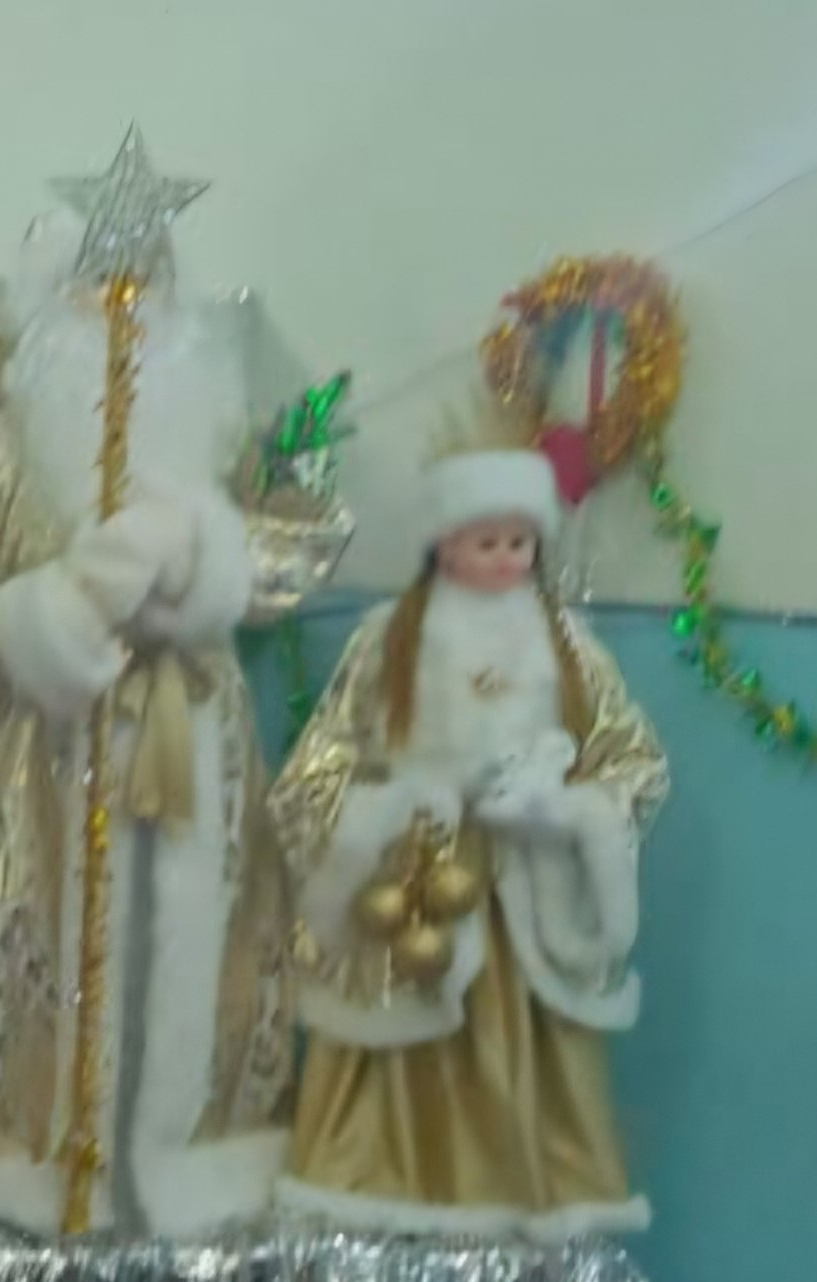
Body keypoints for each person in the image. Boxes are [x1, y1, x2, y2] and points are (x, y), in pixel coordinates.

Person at [0, 174, 310, 1246]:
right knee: (28, 979)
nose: (124, 326)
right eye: (99, 299)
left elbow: (299, 549)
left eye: (146, 301)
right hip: (26, 774)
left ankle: (183, 1163)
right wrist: (43, 617)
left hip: (190, 767)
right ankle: (15, 1163)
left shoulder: (217, 460)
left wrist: (207, 568)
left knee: (188, 977)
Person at [270, 425, 670, 1240]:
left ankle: (526, 1191)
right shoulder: (388, 641)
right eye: (488, 542)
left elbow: (635, 762)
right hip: (413, 887)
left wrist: (566, 810)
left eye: (521, 543)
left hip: (529, 893)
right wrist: (386, 808)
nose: (507, 559)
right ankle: (389, 1184)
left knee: (530, 1044)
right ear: (445, 543)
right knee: (401, 1034)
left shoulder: (568, 647)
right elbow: (319, 767)